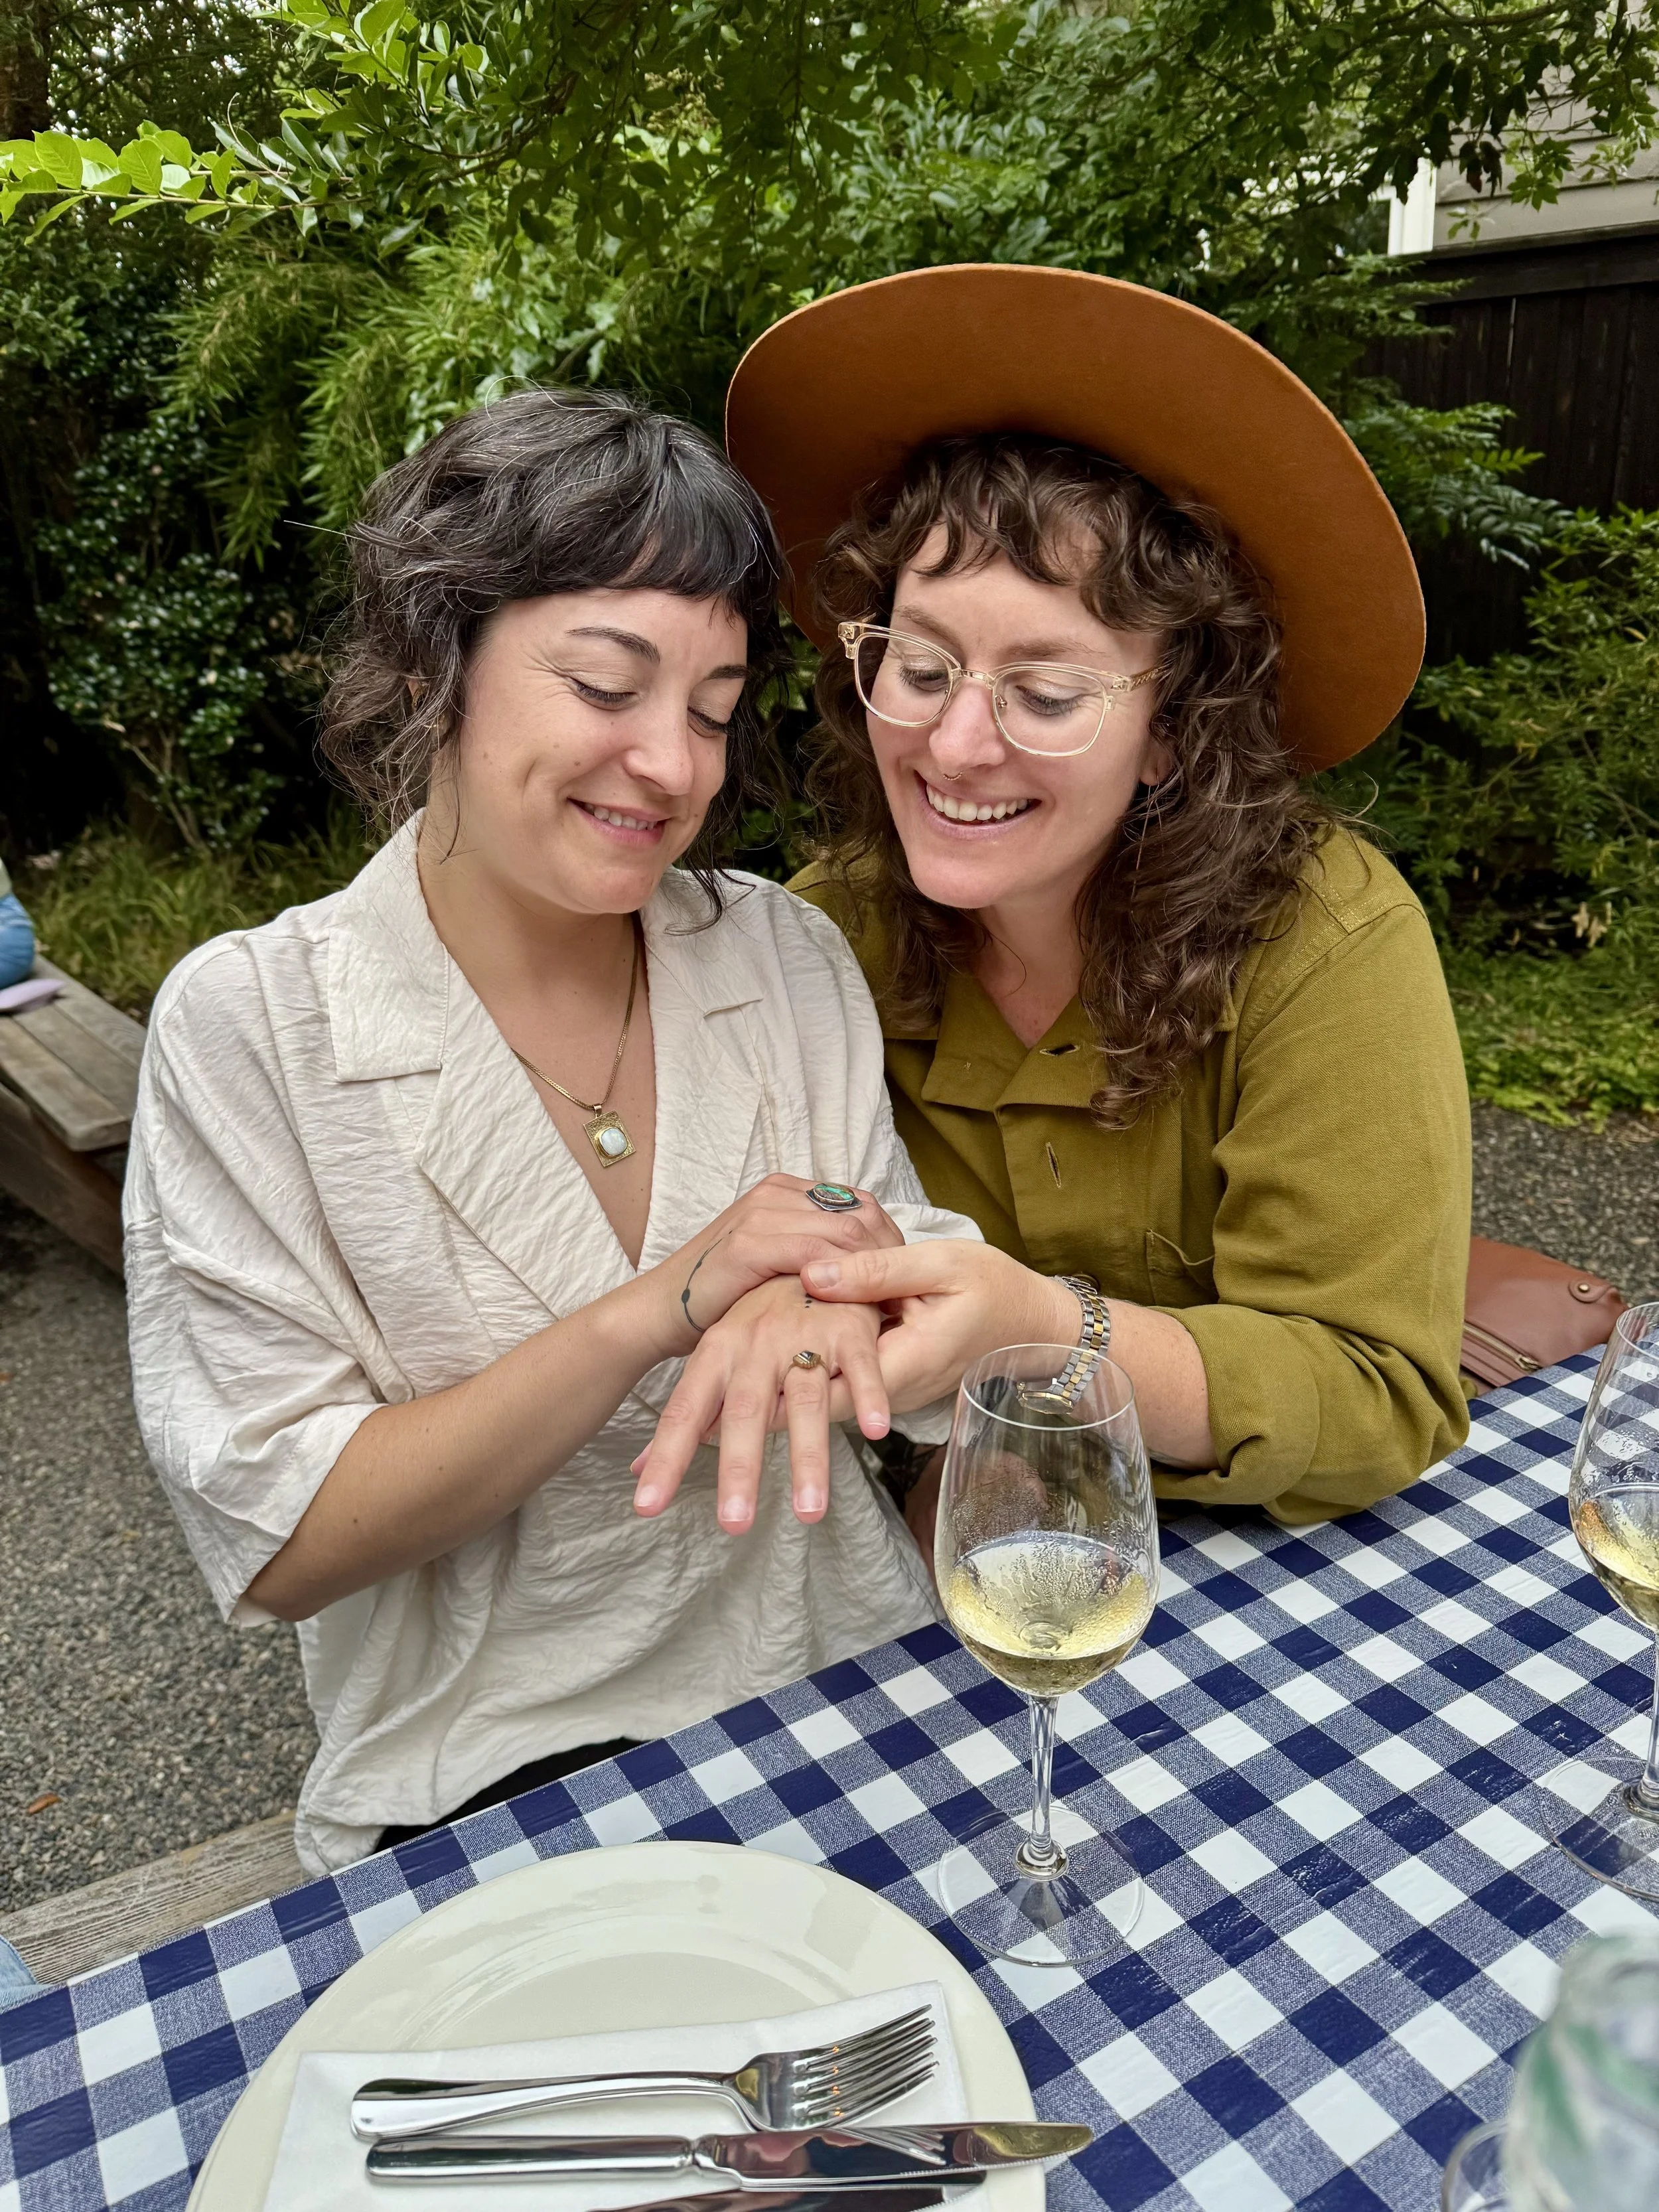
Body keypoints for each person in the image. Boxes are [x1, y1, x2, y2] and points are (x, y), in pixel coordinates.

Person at [124, 390, 976, 1874]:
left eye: (711, 712)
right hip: (487, 1777)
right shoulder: (257, 1024)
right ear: (430, 660)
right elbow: (285, 1536)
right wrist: (661, 1306)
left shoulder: (778, 956)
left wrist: (824, 1275)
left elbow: (879, 1246)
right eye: (604, 684)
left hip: (847, 1692)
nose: (671, 764)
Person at [638, 265, 1471, 1534]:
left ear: (1174, 733)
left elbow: (1376, 1396)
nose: (958, 744)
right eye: (920, 667)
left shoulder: (1326, 938)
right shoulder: (820, 935)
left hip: (1277, 1567)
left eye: (1046, 692)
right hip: (947, 1553)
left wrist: (1048, 1335)